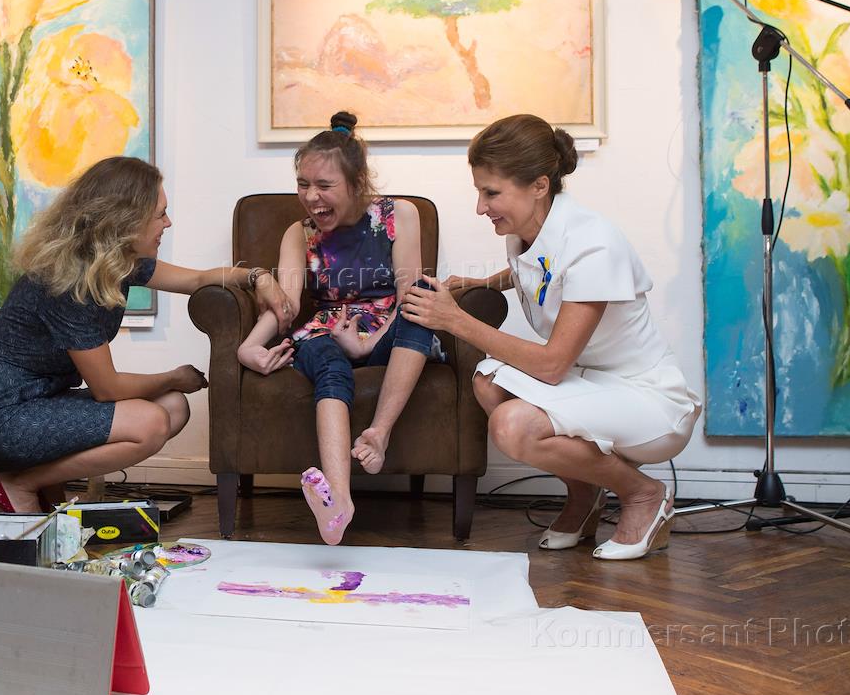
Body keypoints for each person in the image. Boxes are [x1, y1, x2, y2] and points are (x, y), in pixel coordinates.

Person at [403, 114, 701, 560]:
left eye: (491, 193)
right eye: (479, 192)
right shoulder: (529, 232)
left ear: (539, 186)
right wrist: (485, 283)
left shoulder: (594, 244)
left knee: (513, 425)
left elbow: (551, 364)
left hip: (648, 400)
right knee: (489, 381)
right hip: (594, 383)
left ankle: (643, 494)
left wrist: (456, 320)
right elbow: (544, 271)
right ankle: (585, 493)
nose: (481, 208)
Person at [0, 156, 293, 513]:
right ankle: (20, 483)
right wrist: (173, 377)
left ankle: (37, 480)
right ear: (126, 220)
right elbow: (108, 389)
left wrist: (259, 277)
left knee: (173, 407)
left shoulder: (116, 262)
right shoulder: (70, 283)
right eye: (160, 215)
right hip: (1, 420)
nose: (168, 223)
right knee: (151, 422)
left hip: (42, 403)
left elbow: (197, 279)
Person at [237, 111, 437, 545]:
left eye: (324, 185)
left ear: (356, 182)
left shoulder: (399, 215)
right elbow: (287, 304)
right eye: (303, 184)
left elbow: (407, 295)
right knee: (329, 363)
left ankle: (378, 434)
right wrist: (248, 346)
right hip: (328, 328)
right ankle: (339, 503)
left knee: (423, 296)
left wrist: (367, 345)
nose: (311, 197)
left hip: (385, 331)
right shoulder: (299, 233)